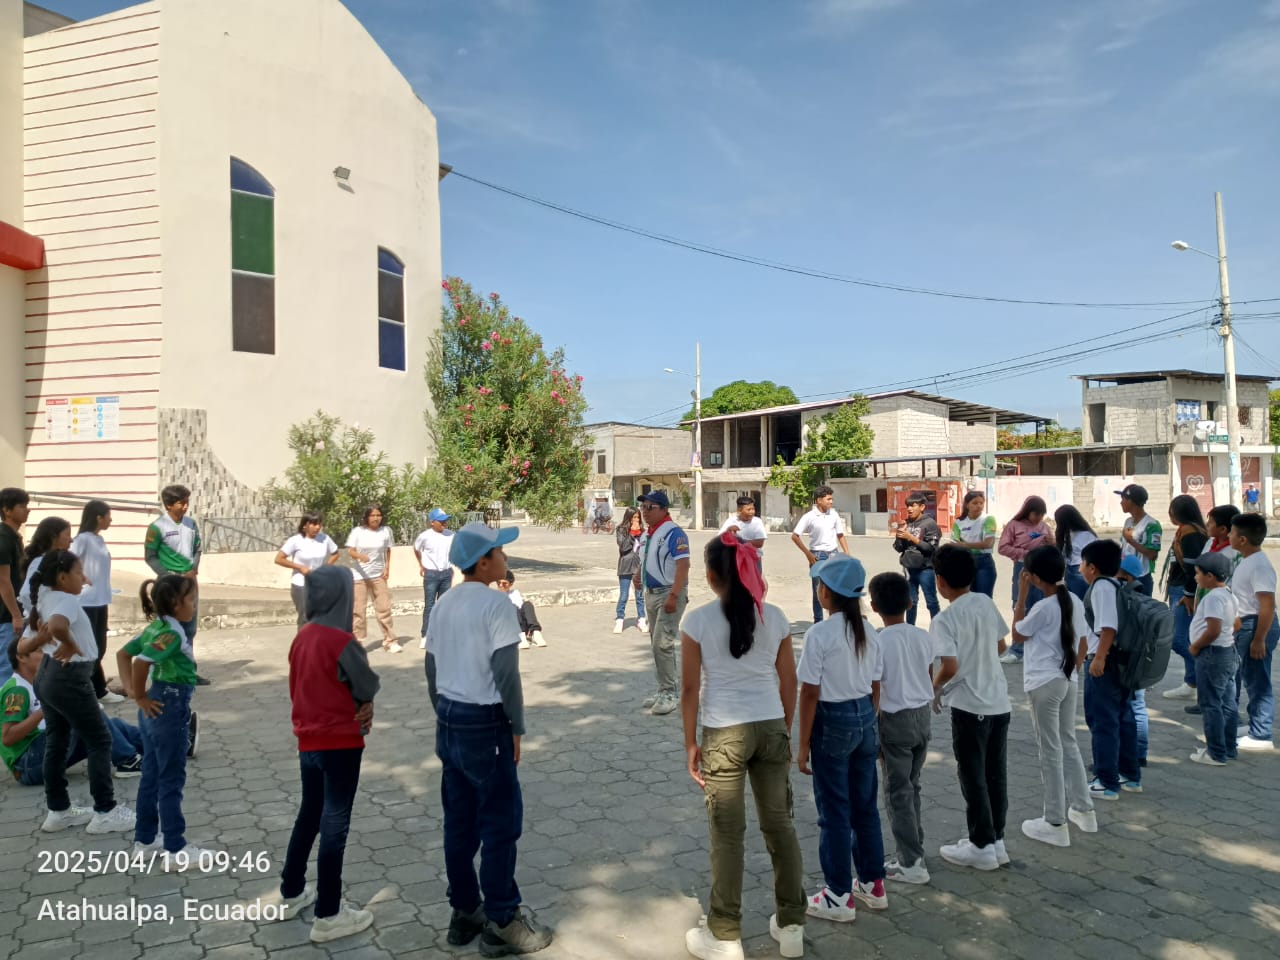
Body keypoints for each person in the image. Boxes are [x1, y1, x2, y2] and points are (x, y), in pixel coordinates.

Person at [425, 522, 553, 956]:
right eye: (499, 551)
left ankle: (465, 910)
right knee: (499, 822)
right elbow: (505, 674)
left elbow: (431, 668)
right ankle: (502, 918)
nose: (505, 557)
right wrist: (515, 726)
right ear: (483, 563)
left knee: (459, 822)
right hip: (486, 722)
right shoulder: (496, 605)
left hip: (450, 717)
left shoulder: (444, 603)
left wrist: (444, 712)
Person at [680, 533, 805, 960]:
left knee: (728, 836)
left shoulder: (697, 622)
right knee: (781, 827)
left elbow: (689, 690)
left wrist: (690, 743)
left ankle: (725, 933)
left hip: (723, 733)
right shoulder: (776, 616)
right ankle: (791, 925)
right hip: (770, 725)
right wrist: (783, 728)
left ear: (711, 576)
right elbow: (789, 681)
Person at [276, 565, 381, 942]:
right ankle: (329, 913)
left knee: (310, 813)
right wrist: (365, 702)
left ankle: (291, 890)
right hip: (340, 742)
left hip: (309, 740)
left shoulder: (302, 636)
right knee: (335, 823)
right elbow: (366, 683)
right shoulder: (342, 641)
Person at [797, 554, 887, 922]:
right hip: (864, 717)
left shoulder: (820, 634)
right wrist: (869, 721)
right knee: (865, 807)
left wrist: (802, 744)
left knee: (834, 812)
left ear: (827, 593)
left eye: (820, 584)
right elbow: (876, 684)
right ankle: (872, 883)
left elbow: (809, 693)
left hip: (832, 721)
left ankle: (837, 895)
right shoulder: (869, 631)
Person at [21, 549, 135, 834]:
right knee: (99, 740)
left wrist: (42, 640)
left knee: (57, 742)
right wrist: (70, 644)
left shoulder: (44, 598)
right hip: (69, 678)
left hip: (48, 676)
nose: (84, 579)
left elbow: (23, 647)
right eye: (79, 573)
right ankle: (105, 811)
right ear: (62, 577)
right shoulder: (66, 600)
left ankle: (58, 811)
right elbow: (58, 626)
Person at [930, 547, 1012, 872]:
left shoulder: (944, 619)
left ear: (940, 581)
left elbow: (949, 665)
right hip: (999, 702)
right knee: (995, 774)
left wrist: (935, 687)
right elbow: (1001, 645)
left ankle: (981, 845)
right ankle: (996, 839)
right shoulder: (985, 602)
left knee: (972, 775)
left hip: (969, 705)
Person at [117, 575, 208, 864]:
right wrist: (139, 695)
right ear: (175, 603)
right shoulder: (171, 634)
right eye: (191, 600)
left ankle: (145, 840)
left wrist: (134, 692)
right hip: (167, 706)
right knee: (171, 778)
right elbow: (140, 662)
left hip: (154, 706)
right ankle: (175, 848)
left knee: (151, 775)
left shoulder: (155, 628)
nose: (194, 605)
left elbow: (123, 654)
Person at [1010, 546, 1096, 847]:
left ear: (1033, 577)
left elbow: (1017, 635)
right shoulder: (1073, 600)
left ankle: (1055, 821)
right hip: (1067, 679)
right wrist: (1075, 670)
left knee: (1050, 751)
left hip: (1044, 682)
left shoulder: (1042, 607)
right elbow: (1083, 642)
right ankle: (1084, 809)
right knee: (1067, 743)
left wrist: (1021, 596)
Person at [869, 572, 935, 885]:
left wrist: (873, 725)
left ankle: (911, 862)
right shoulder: (922, 636)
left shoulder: (878, 642)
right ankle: (915, 847)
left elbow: (875, 688)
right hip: (922, 716)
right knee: (912, 785)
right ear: (910, 603)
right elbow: (928, 673)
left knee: (897, 792)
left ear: (873, 606)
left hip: (894, 720)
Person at [3, 641, 143, 784]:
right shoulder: (17, 691)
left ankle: (152, 747)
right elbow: (7, 738)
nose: (47, 656)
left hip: (47, 752)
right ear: (21, 657)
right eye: (40, 651)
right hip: (27, 766)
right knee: (87, 716)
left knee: (113, 724)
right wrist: (45, 709)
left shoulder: (40, 682)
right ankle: (128, 761)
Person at [1079, 539, 1142, 801]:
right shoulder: (1116, 585)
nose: (1080, 569)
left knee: (1103, 721)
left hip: (1106, 663)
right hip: (1120, 662)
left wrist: (1099, 658)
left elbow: (1108, 627)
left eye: (1082, 564)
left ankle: (1106, 781)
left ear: (1092, 567)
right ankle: (1129, 774)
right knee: (1123, 717)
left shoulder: (1101, 587)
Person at [633, 491, 690, 716]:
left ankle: (670, 693)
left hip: (669, 592)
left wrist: (674, 596)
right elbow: (646, 558)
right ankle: (664, 688)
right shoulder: (649, 534)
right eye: (643, 507)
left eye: (650, 507)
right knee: (657, 644)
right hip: (652, 592)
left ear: (664, 509)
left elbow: (683, 565)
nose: (645, 512)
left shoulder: (673, 533)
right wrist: (638, 574)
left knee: (662, 644)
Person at [144, 484, 208, 685]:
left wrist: (193, 569)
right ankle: (165, 671)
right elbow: (150, 556)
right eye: (182, 503)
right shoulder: (157, 527)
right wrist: (168, 575)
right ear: (169, 505)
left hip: (189, 582)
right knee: (168, 628)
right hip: (169, 585)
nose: (186, 506)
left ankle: (189, 672)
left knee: (189, 629)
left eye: (187, 502)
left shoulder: (191, 524)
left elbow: (197, 549)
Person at [1228, 513, 1277, 751]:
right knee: (1250, 677)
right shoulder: (1247, 560)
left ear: (1243, 539)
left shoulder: (1259, 565)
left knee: (1258, 681)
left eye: (1232, 532)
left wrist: (1259, 639)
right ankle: (1255, 724)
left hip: (1256, 626)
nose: (1229, 535)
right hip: (1247, 625)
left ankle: (1261, 734)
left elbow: (1267, 604)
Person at [1187, 552, 1239, 765]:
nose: (1195, 577)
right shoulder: (1229, 594)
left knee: (1210, 704)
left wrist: (1196, 646)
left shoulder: (1213, 598)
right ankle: (1228, 747)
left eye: (1198, 573)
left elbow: (1213, 629)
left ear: (1209, 576)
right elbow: (1236, 623)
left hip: (1212, 654)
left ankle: (1216, 753)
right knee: (1227, 703)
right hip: (1227, 652)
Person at [1160, 495, 1209, 703]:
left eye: (1172, 510)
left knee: (1178, 639)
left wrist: (1189, 594)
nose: (1169, 514)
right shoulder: (1185, 531)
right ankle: (1192, 683)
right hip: (1178, 589)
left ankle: (1206, 674)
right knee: (1186, 637)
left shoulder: (1190, 533)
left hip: (1183, 591)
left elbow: (1192, 568)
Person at [71, 500, 119, 703]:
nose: (111, 520)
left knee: (99, 648)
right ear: (98, 518)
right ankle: (89, 692)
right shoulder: (82, 539)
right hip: (86, 601)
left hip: (100, 600)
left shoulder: (99, 539)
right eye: (108, 516)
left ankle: (98, 689)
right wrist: (80, 577)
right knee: (90, 648)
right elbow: (68, 560)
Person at [997, 496, 1054, 663]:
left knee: (1040, 607)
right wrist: (1026, 554)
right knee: (1020, 605)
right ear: (1028, 512)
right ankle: (1017, 649)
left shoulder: (1044, 527)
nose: (1038, 518)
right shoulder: (1014, 525)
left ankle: (1038, 648)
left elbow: (1054, 549)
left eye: (1041, 515)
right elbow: (1003, 547)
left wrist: (1052, 543)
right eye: (1036, 514)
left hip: (1042, 570)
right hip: (1023, 568)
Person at [791, 485, 848, 624]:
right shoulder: (809, 517)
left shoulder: (833, 514)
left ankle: (835, 620)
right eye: (828, 499)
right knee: (819, 591)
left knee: (835, 589)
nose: (831, 502)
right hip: (817, 556)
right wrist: (808, 554)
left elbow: (840, 535)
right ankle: (818, 622)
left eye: (832, 499)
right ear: (819, 500)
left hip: (833, 554)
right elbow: (795, 536)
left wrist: (847, 553)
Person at [345, 505, 398, 654]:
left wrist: (387, 568)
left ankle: (390, 641)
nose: (376, 518)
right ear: (367, 517)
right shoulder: (358, 531)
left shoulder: (386, 531)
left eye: (378, 515)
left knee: (384, 608)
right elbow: (350, 551)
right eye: (373, 515)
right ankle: (357, 642)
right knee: (358, 611)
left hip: (378, 576)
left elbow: (388, 550)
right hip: (359, 576)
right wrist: (360, 556)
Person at [276, 513, 339, 626]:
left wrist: (325, 567)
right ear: (305, 525)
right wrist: (300, 567)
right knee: (306, 617)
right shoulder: (296, 540)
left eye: (319, 524)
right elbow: (279, 559)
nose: (317, 527)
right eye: (314, 524)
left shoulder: (324, 538)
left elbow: (335, 554)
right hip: (301, 584)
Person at [893, 493, 942, 626]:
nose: (909, 509)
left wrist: (911, 538)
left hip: (925, 569)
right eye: (908, 506)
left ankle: (938, 629)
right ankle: (910, 629)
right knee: (910, 602)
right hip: (909, 569)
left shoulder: (930, 524)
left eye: (913, 505)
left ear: (922, 507)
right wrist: (899, 535)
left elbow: (931, 548)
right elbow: (898, 548)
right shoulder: (907, 523)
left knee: (931, 602)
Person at [0, 487, 28, 687]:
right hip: (6, 615)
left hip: (13, 612)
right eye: (21, 506)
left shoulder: (14, 538)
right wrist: (16, 615)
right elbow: (3, 580)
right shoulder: (3, 539)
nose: (27, 510)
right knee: (7, 665)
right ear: (7, 510)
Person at [414, 508, 453, 649]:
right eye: (441, 521)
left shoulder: (451, 535)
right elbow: (416, 549)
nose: (444, 523)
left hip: (446, 574)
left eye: (445, 520)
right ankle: (426, 635)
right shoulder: (425, 536)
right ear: (432, 522)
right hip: (431, 574)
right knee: (430, 605)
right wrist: (422, 565)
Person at [19, 516, 72, 615]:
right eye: (67, 535)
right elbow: (26, 594)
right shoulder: (41, 561)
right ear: (53, 537)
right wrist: (43, 615)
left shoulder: (59, 561)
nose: (71, 540)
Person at [1117, 484, 1161, 597]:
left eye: (1123, 499)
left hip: (1141, 577)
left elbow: (1152, 555)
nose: (1121, 503)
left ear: (1131, 501)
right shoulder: (1128, 521)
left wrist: (1131, 540)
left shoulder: (1152, 525)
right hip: (1124, 575)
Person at [951, 491, 998, 598]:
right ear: (967, 504)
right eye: (975, 503)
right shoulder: (959, 522)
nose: (979, 506)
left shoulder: (988, 519)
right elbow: (954, 544)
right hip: (965, 562)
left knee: (984, 598)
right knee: (967, 598)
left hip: (983, 561)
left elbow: (988, 543)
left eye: (981, 503)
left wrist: (964, 545)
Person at [1053, 505, 1097, 601]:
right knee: (1074, 602)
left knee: (1079, 602)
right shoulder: (1069, 533)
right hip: (1071, 571)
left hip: (1080, 571)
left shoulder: (1086, 535)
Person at [613, 507, 646, 634]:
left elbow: (645, 548)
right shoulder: (621, 530)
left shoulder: (643, 531)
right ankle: (620, 619)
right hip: (625, 565)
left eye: (638, 517)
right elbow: (623, 547)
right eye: (634, 518)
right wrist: (632, 533)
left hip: (638, 565)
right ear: (629, 518)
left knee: (640, 595)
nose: (636, 520)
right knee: (624, 595)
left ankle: (641, 619)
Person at [497, 571, 545, 649]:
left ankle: (535, 632)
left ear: (511, 584)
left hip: (520, 623)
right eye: (498, 583)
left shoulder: (515, 593)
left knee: (527, 604)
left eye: (504, 584)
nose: (500, 585)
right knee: (512, 607)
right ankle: (521, 637)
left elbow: (521, 608)